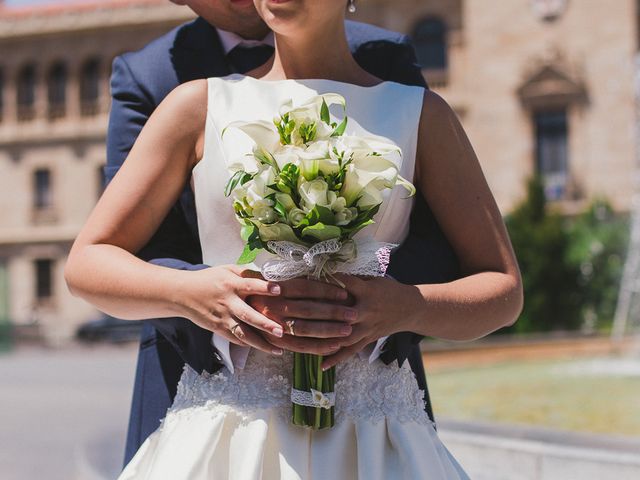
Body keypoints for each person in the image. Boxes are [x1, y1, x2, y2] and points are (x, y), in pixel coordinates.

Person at [66, 0, 523, 477]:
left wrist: (409, 306)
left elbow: (503, 289)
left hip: (375, 440)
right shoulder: (194, 106)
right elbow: (87, 264)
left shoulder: (421, 114)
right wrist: (192, 293)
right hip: (227, 438)